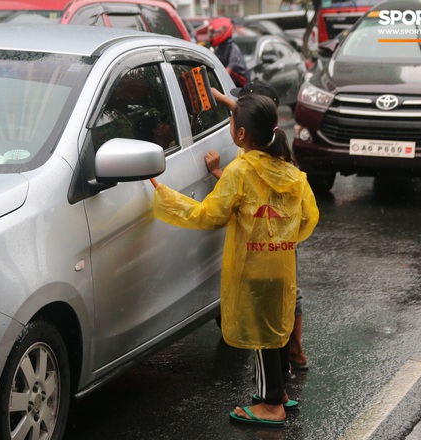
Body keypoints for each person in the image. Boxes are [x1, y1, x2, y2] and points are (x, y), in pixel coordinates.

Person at [149, 94, 319, 427]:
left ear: (241, 135)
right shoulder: (291, 172)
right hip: (282, 266)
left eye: (230, 122)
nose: (229, 126)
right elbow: (308, 217)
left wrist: (165, 196)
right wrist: (280, 240)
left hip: (253, 267)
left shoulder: (239, 171)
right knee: (277, 329)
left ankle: (271, 406)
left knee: (262, 337)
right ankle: (280, 392)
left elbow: (210, 215)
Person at [205, 80, 311, 374]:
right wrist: (222, 99)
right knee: (285, 294)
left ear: (246, 128)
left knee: (273, 305)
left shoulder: (258, 158)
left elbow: (249, 192)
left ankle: (288, 363)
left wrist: (216, 172)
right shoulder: (273, 141)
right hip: (283, 239)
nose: (234, 114)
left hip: (265, 242)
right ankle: (290, 361)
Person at [208, 17, 251, 87]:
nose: (212, 36)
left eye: (214, 33)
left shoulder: (233, 48)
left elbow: (228, 70)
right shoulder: (219, 48)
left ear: (222, 32)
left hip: (240, 88)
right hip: (230, 85)